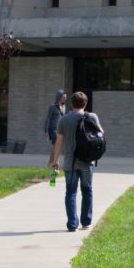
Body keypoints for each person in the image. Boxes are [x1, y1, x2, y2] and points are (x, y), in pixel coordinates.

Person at [48, 91, 103, 232]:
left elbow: (59, 142)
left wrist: (55, 160)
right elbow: (101, 134)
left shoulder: (64, 120)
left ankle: (72, 224)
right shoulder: (92, 117)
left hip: (70, 162)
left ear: (71, 103)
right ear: (86, 103)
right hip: (87, 161)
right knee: (87, 190)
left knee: (71, 192)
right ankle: (86, 221)